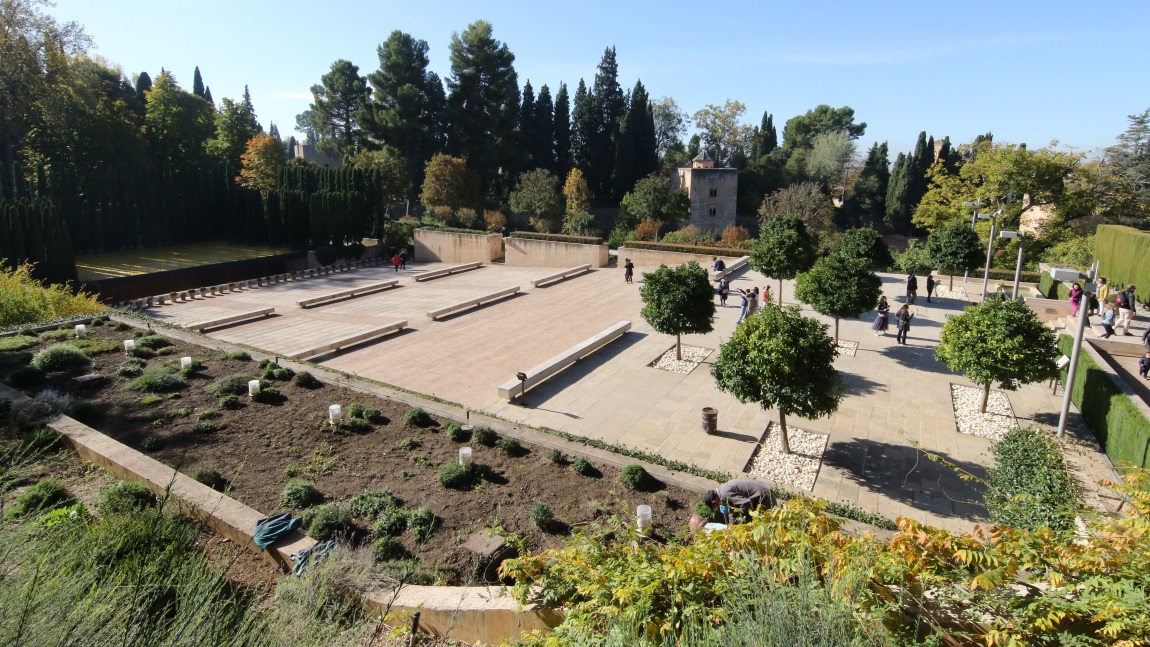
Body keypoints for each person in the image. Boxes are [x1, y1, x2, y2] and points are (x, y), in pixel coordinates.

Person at [702, 479, 776, 525]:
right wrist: (732, 526)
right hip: (761, 492)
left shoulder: (725, 493)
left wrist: (744, 523)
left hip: (764, 495)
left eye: (716, 506)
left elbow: (746, 505)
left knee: (765, 523)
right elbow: (733, 512)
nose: (719, 506)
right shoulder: (721, 494)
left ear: (714, 502)